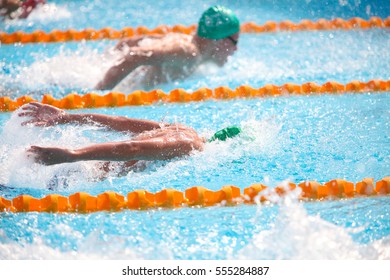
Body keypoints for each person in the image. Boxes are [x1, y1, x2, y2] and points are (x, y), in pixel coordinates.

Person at [21, 103, 241, 177]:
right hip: (82, 175)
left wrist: (67, 117)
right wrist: (72, 155)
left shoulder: (183, 129)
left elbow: (121, 122)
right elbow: (133, 148)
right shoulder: (189, 145)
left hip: (79, 171)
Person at [95, 5, 240, 90]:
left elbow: (130, 42)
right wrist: (101, 92)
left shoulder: (185, 40)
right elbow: (135, 55)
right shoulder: (188, 53)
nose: (235, 49)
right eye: (235, 42)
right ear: (221, 40)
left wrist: (103, 60)